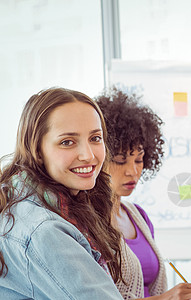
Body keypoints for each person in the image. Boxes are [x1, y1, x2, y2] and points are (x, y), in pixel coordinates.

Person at [0, 88, 124, 299]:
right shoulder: (45, 230)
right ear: (37, 151)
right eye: (67, 142)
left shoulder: (26, 200)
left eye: (95, 138)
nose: (88, 155)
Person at [95, 87, 191, 300]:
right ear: (98, 157)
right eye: (120, 160)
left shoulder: (139, 217)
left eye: (139, 159)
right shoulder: (87, 222)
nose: (132, 171)